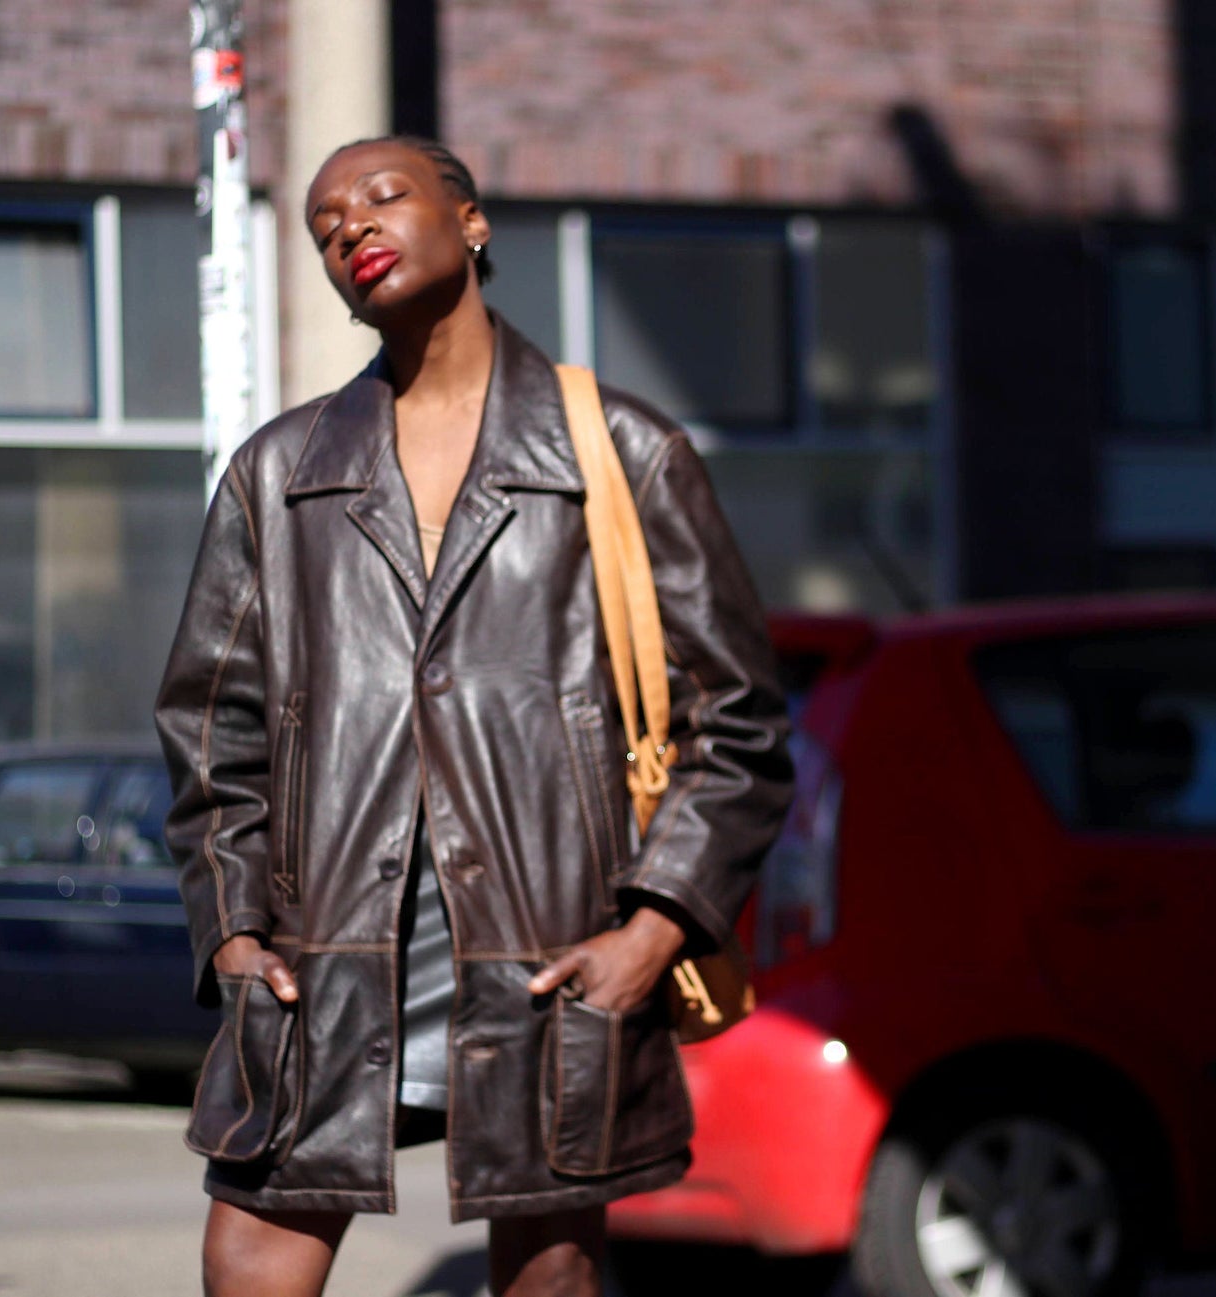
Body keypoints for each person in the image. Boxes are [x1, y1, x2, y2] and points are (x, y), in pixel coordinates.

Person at [156, 136, 793, 1297]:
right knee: (247, 1254)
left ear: (473, 221)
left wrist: (652, 930)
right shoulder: (277, 472)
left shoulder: (618, 452)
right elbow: (211, 731)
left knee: (546, 1268)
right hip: (323, 957)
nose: (351, 225)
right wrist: (236, 927)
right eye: (325, 222)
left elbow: (739, 723)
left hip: (550, 957)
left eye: (382, 197)